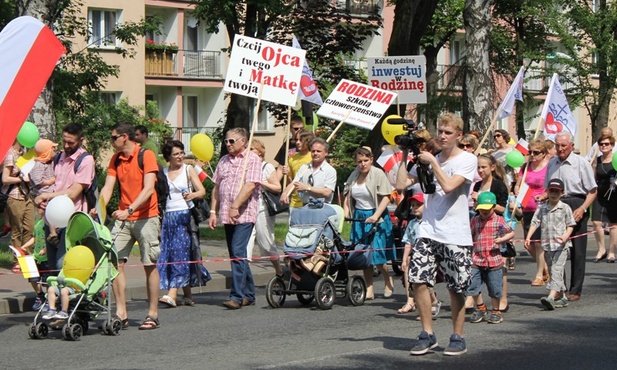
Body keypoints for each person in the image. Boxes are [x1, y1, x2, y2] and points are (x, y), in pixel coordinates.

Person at [397, 112, 477, 356]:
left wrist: (432, 162)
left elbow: (450, 186)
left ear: (458, 136)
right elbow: (401, 184)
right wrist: (404, 154)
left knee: (456, 287)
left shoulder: (467, 159)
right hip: (428, 230)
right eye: (440, 131)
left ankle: (457, 336)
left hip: (455, 234)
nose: (442, 136)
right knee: (418, 279)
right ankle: (427, 333)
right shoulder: (430, 159)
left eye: (448, 132)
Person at [97, 121, 161, 330]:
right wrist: (99, 207)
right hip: (124, 219)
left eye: (113, 137)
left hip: (146, 216)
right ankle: (121, 313)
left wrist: (130, 210)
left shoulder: (146, 155)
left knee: (149, 264)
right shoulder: (116, 159)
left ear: (125, 136)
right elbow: (108, 187)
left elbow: (149, 188)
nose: (111, 141)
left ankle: (152, 314)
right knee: (115, 263)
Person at [538, 131, 597, 302]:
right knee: (556, 249)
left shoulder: (581, 163)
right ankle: (558, 288)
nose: (560, 148)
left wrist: (583, 208)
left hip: (577, 203)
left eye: (564, 145)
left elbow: (592, 191)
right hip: (556, 204)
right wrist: (543, 197)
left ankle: (576, 289)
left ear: (571, 145)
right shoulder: (552, 164)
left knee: (578, 250)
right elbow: (547, 188)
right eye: (557, 145)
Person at [209, 128, 261, 309]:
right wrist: (213, 212)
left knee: (238, 250)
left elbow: (250, 186)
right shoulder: (223, 160)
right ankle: (249, 294)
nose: (228, 144)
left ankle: (236, 296)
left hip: (244, 213)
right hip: (226, 213)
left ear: (243, 141)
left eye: (232, 141)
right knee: (235, 254)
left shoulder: (252, 159)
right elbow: (216, 187)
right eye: (226, 141)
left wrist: (235, 206)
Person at [34, 123, 95, 275]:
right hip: (52, 219)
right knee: (53, 265)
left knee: (64, 264)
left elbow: (73, 192)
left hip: (72, 220)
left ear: (81, 140)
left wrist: (46, 196)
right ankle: (57, 298)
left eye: (71, 143)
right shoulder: (59, 157)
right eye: (64, 141)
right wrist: (44, 202)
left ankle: (70, 297)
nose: (66, 146)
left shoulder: (86, 160)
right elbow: (54, 186)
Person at [158, 140, 211, 308]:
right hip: (169, 218)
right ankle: (188, 295)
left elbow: (202, 191)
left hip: (184, 216)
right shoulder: (164, 172)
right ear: (168, 157)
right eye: (176, 154)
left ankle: (172, 293)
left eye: (181, 153)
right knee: (172, 254)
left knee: (180, 254)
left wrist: (192, 195)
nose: (180, 156)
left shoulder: (188, 170)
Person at [343, 147, 395, 300]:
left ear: (371, 160)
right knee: (363, 254)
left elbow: (386, 196)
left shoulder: (378, 174)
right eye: (359, 161)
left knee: (377, 254)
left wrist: (376, 215)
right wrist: (346, 212)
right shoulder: (354, 175)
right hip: (360, 216)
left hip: (376, 215)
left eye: (366, 160)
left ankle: (387, 279)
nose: (362, 164)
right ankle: (369, 287)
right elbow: (348, 195)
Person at [525, 178, 576, 310]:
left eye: (557, 192)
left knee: (556, 269)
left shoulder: (565, 208)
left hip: (561, 246)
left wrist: (565, 236)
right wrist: (529, 237)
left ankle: (551, 297)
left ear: (562, 193)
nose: (554, 194)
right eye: (551, 191)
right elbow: (535, 222)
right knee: (553, 272)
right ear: (547, 191)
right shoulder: (542, 208)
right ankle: (563, 297)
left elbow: (571, 225)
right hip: (547, 246)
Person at [467, 192, 515, 324]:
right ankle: (481, 307)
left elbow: (511, 232)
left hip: (494, 260)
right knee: (473, 285)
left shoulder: (499, 220)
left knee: (495, 287)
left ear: (493, 207)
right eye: (481, 209)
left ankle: (496, 310)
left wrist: (501, 239)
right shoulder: (475, 220)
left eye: (487, 209)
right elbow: (469, 235)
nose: (484, 212)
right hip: (477, 258)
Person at [397, 193, 442, 317]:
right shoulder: (412, 224)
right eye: (413, 205)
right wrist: (404, 259)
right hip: (414, 256)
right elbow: (408, 242)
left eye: (418, 205)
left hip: (428, 257)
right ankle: (413, 303)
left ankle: (433, 302)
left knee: (426, 284)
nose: (415, 208)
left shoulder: (431, 221)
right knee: (413, 283)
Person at [246, 139, 284, 277]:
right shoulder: (245, 167)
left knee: (266, 242)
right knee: (246, 242)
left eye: (252, 151)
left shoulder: (266, 167)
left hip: (263, 209)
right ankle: (245, 275)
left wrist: (261, 182)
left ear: (260, 153)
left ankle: (278, 269)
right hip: (247, 209)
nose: (249, 154)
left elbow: (277, 187)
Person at [514, 139, 549, 285]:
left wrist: (544, 195)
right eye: (530, 152)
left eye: (536, 152)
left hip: (541, 208)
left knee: (538, 243)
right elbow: (518, 185)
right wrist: (517, 192)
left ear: (544, 153)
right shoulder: (526, 166)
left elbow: (551, 187)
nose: (532, 155)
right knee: (528, 244)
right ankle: (546, 268)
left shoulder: (548, 167)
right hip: (527, 207)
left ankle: (539, 275)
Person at [3, 139, 35, 273]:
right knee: (17, 230)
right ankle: (17, 261)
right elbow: (5, 179)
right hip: (15, 196)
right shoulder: (11, 154)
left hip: (27, 195)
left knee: (29, 227)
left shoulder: (24, 153)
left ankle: (27, 259)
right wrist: (21, 179)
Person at [282, 138, 337, 207]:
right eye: (313, 151)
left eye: (318, 151)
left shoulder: (330, 170)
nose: (315, 153)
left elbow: (327, 192)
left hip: (322, 207)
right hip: (305, 206)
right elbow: (294, 183)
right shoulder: (304, 167)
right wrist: (285, 193)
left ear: (326, 153)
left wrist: (307, 188)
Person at [590, 134, 617, 263]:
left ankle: (612, 251)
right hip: (599, 194)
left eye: (607, 144)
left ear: (612, 146)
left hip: (614, 194)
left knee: (613, 224)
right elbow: (594, 178)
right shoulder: (598, 160)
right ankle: (601, 249)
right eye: (601, 144)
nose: (604, 146)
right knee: (596, 222)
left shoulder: (616, 159)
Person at [29, 139, 59, 246]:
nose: (55, 152)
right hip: (44, 191)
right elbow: (37, 180)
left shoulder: (49, 163)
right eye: (52, 149)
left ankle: (53, 231)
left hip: (49, 190)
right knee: (49, 211)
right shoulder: (38, 165)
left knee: (50, 211)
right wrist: (49, 181)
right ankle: (52, 233)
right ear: (46, 152)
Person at [280, 129, 314, 213]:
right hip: (295, 202)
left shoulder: (313, 157)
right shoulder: (292, 158)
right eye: (296, 140)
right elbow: (292, 182)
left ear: (308, 141)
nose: (297, 142)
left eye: (301, 140)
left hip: (310, 200)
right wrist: (287, 175)